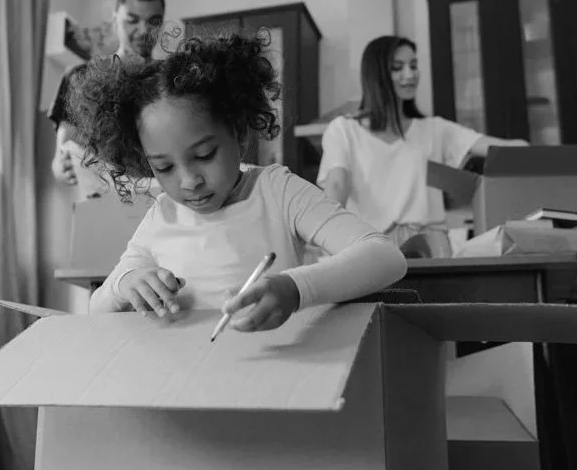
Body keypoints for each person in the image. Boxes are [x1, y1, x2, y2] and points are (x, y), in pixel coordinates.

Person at [69, 32, 407, 332]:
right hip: (185, 386)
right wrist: (127, 282)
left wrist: (294, 289)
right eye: (164, 167)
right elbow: (96, 306)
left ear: (239, 132)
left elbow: (385, 258)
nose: (189, 182)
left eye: (204, 155)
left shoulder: (277, 191)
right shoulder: (161, 214)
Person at [317, 35, 528, 255]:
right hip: (372, 250)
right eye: (397, 68)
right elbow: (336, 186)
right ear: (376, 74)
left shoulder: (434, 129)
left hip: (432, 249)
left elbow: (499, 148)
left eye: (414, 65)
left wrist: (532, 152)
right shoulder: (344, 129)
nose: (410, 74)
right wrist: (327, 242)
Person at [48, 0, 166, 188]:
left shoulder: (172, 79)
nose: (143, 30)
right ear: (115, 20)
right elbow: (62, 154)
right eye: (132, 20)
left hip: (162, 198)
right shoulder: (80, 77)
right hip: (101, 201)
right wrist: (61, 166)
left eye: (153, 21)